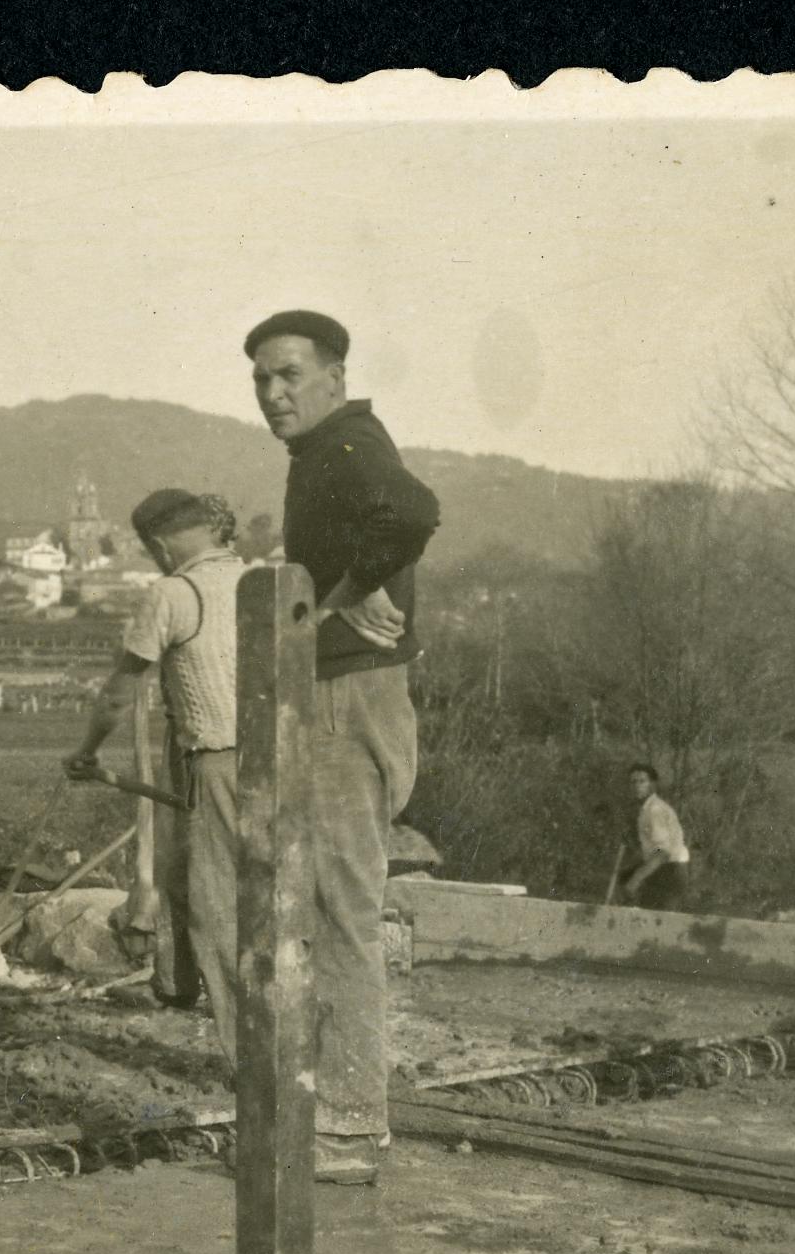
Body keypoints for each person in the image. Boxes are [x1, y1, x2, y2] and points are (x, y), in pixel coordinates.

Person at [247, 308, 442, 1181]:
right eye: (261, 381)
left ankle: (354, 1127)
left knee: (341, 913)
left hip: (346, 699)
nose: (274, 393)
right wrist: (347, 589)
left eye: (290, 374)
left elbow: (411, 511)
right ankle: (345, 1110)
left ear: (333, 375)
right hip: (352, 693)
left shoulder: (347, 444)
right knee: (334, 907)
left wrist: (350, 591)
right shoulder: (327, 454)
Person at [65, 488, 266, 1066]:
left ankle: (250, 1061)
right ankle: (180, 988)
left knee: (218, 906)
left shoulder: (172, 592)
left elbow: (119, 695)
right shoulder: (259, 580)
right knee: (221, 884)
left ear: (158, 544)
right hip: (274, 759)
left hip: (218, 762)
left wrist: (85, 752)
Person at [620, 763, 692, 910]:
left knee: (658, 922)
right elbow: (653, 850)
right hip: (662, 871)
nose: (636, 786)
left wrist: (636, 878)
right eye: (633, 782)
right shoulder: (646, 809)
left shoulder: (655, 810)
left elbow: (662, 853)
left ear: (652, 785)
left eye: (642, 781)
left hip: (670, 871)